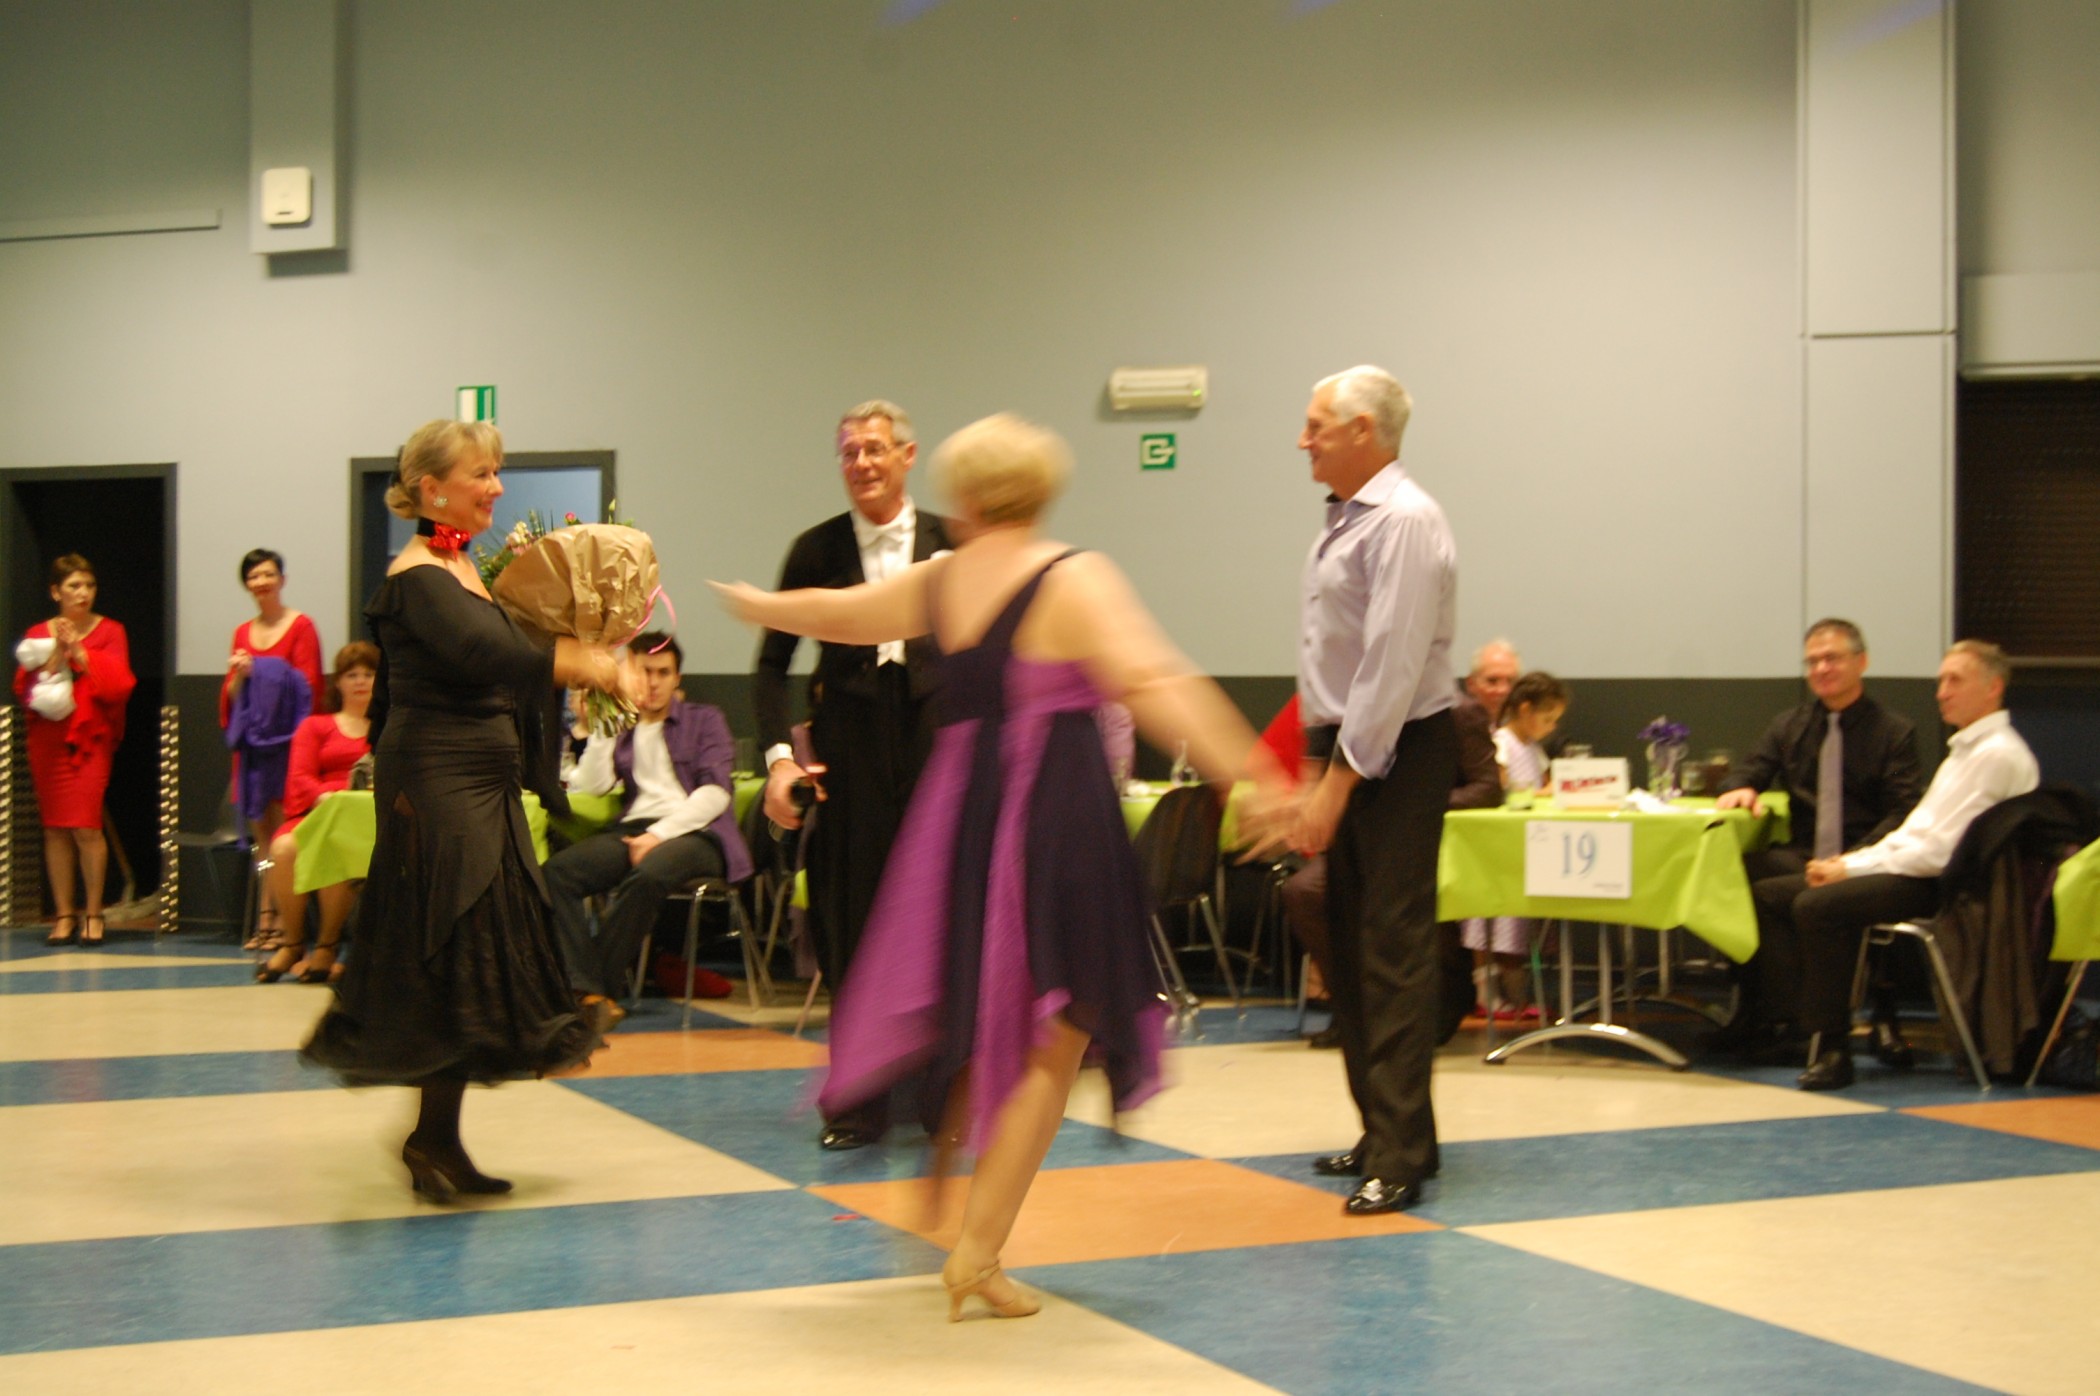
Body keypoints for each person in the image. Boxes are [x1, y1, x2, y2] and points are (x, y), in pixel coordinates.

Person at [716, 413, 1288, 1322]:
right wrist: (1253, 774)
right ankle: (977, 1250)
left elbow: (840, 614)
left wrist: (759, 604)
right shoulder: (1070, 575)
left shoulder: (944, 579)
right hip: (1053, 816)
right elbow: (1154, 681)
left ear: (967, 497)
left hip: (966, 820)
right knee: (1054, 1038)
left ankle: (971, 1229)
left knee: (1006, 1027)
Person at [302, 419, 636, 1202]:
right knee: (453, 938)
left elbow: (502, 670)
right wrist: (579, 662)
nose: (496, 486)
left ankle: (436, 1140)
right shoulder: (416, 575)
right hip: (439, 782)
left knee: (467, 950)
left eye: (495, 471)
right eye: (481, 473)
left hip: (480, 781)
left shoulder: (463, 569)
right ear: (432, 489)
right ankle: (433, 1139)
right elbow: (489, 656)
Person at [753, 399, 956, 1151]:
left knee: (940, 922)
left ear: (907, 455)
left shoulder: (951, 543)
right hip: (850, 756)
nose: (862, 463)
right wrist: (780, 761)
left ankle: (943, 1100)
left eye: (874, 448)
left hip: (935, 751)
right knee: (854, 927)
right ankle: (858, 1103)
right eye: (849, 452)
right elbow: (771, 668)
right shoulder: (816, 551)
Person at [1291, 365, 1459, 1217]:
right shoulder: (1348, 520)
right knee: (1352, 947)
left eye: (1317, 424)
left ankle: (1402, 1154)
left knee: (1391, 952)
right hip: (1349, 746)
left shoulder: (1405, 521)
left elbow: (1391, 667)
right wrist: (1315, 765)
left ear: (1364, 430)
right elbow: (1331, 662)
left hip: (1398, 751)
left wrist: (1338, 782)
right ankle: (1384, 1129)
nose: (1303, 440)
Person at [1765, 640, 2038, 1090]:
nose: (1942, 692)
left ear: (1993, 688)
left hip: (1948, 886)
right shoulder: (1965, 752)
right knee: (1770, 894)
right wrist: (1849, 861)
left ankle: (1833, 1047)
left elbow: (1940, 854)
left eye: (1955, 681)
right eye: (1940, 681)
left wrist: (1851, 871)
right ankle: (1785, 1022)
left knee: (1819, 906)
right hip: (1915, 868)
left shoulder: (1997, 755)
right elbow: (1913, 833)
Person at [1708, 619, 1924, 1061]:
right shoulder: (1790, 725)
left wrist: (1853, 861)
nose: (1821, 669)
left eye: (1832, 658)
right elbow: (1751, 768)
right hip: (1807, 853)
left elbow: (1902, 812)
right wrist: (1742, 785)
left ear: (1861, 662)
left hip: (1867, 858)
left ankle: (1796, 1022)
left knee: (1773, 896)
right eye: (1812, 662)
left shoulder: (1893, 731)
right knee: (1731, 878)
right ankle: (1756, 1009)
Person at [1281, 637, 1503, 1046]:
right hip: (1368, 838)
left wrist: (1417, 805)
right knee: (1305, 892)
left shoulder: (1459, 712)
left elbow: (1488, 788)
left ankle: (1442, 996)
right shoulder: (1354, 713)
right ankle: (1355, 1006)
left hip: (1436, 842)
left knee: (1406, 895)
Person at [546, 631, 753, 1003]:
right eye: (644, 672)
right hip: (634, 828)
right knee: (558, 874)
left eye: (663, 673)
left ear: (676, 678)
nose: (653, 682)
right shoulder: (624, 724)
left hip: (700, 834)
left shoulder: (704, 719)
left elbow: (715, 793)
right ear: (629, 674)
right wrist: (605, 724)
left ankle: (592, 989)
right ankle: (586, 988)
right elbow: (593, 785)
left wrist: (658, 835)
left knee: (649, 873)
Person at [12, 555, 135, 947]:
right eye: (74, 586)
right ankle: (65, 914)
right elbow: (26, 687)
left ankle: (93, 913)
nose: (83, 593)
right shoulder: (37, 632)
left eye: (89, 586)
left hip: (90, 739)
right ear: (56, 592)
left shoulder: (111, 631)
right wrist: (55, 652)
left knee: (86, 826)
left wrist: (79, 651)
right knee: (55, 828)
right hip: (48, 739)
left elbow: (119, 685)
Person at [220, 548, 325, 947]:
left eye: (268, 574)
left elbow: (306, 686)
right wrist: (240, 677)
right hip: (253, 750)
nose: (261, 582)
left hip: (287, 748)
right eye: (253, 576)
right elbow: (232, 694)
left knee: (285, 834)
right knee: (261, 836)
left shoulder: (301, 626)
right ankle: (266, 916)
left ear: (282, 579)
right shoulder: (241, 633)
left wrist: (259, 669)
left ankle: (285, 922)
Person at [256, 642, 378, 984]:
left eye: (368, 674)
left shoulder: (389, 728)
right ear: (338, 682)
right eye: (352, 675)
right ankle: (293, 943)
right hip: (316, 813)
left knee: (339, 846)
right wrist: (327, 797)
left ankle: (326, 946)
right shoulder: (315, 726)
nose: (360, 681)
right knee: (283, 849)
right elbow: (300, 778)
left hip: (367, 821)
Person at [1462, 671, 1569, 1016]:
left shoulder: (1534, 750)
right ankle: (1486, 995)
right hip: (1500, 851)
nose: (1552, 727)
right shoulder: (1502, 743)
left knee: (1519, 930)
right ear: (1525, 710)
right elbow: (1502, 789)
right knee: (1491, 925)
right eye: (1548, 718)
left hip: (1528, 851)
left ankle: (1518, 997)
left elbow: (1544, 785)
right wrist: (1542, 793)